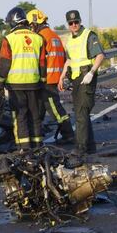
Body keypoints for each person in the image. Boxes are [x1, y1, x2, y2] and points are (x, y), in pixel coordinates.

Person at [0, 7, 46, 153]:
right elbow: (42, 63)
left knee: (20, 117)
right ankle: (38, 146)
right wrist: (42, 82)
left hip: (16, 86)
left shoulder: (9, 39)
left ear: (13, 22)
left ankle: (24, 148)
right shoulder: (38, 38)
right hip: (35, 85)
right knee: (35, 116)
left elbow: (4, 63)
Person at [58, 10, 105, 157]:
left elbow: (100, 55)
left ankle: (80, 148)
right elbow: (69, 59)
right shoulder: (70, 39)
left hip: (87, 77)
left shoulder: (89, 35)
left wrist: (92, 72)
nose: (74, 25)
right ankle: (90, 147)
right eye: (71, 23)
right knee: (81, 113)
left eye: (76, 22)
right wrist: (62, 75)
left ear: (80, 21)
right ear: (68, 24)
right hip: (76, 79)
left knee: (81, 113)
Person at [26, 9, 74, 144]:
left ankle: (68, 134)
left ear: (35, 24)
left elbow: (38, 60)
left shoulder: (41, 37)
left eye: (30, 25)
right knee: (39, 107)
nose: (30, 28)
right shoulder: (53, 35)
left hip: (47, 79)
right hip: (54, 77)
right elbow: (63, 58)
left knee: (54, 109)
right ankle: (37, 135)